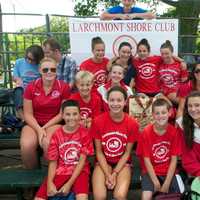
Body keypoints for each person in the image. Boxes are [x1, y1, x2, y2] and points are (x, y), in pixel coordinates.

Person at [35, 100, 93, 200]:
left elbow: (81, 162)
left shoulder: (85, 134)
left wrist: (69, 184)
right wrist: (50, 183)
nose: (71, 118)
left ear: (80, 115)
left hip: (80, 171)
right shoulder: (56, 135)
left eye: (75, 114)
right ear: (62, 115)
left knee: (82, 197)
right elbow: (53, 163)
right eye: (68, 114)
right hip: (61, 171)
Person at [20, 57, 71, 169]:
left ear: (56, 70)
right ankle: (32, 180)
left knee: (48, 143)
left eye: (52, 69)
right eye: (45, 70)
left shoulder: (64, 87)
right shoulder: (31, 87)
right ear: (40, 71)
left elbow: (62, 114)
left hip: (54, 122)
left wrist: (43, 129)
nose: (49, 72)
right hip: (33, 123)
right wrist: (39, 129)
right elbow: (27, 113)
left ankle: (51, 177)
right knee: (27, 145)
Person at [91, 86, 139, 200]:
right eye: (112, 100)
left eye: (119, 100)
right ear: (107, 101)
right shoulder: (97, 121)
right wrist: (108, 174)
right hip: (103, 162)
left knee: (120, 196)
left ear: (125, 102)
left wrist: (115, 173)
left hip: (123, 164)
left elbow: (127, 153)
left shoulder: (132, 123)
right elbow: (99, 152)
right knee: (100, 196)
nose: (115, 103)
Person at [137, 98, 183, 200]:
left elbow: (174, 159)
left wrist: (166, 183)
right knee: (146, 197)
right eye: (157, 113)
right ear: (152, 115)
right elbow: (146, 160)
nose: (160, 116)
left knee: (178, 196)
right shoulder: (146, 133)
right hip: (150, 172)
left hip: (169, 172)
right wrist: (155, 181)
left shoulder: (174, 132)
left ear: (169, 113)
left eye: (163, 112)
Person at [13, 44, 44, 119]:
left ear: (38, 59)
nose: (29, 61)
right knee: (18, 90)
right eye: (27, 58)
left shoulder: (41, 65)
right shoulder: (19, 62)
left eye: (32, 60)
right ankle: (20, 114)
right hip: (23, 87)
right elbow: (15, 77)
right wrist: (18, 79)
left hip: (35, 88)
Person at [181, 91, 200, 177]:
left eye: (197, 105)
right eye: (190, 106)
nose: (193, 109)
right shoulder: (184, 127)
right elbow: (188, 160)